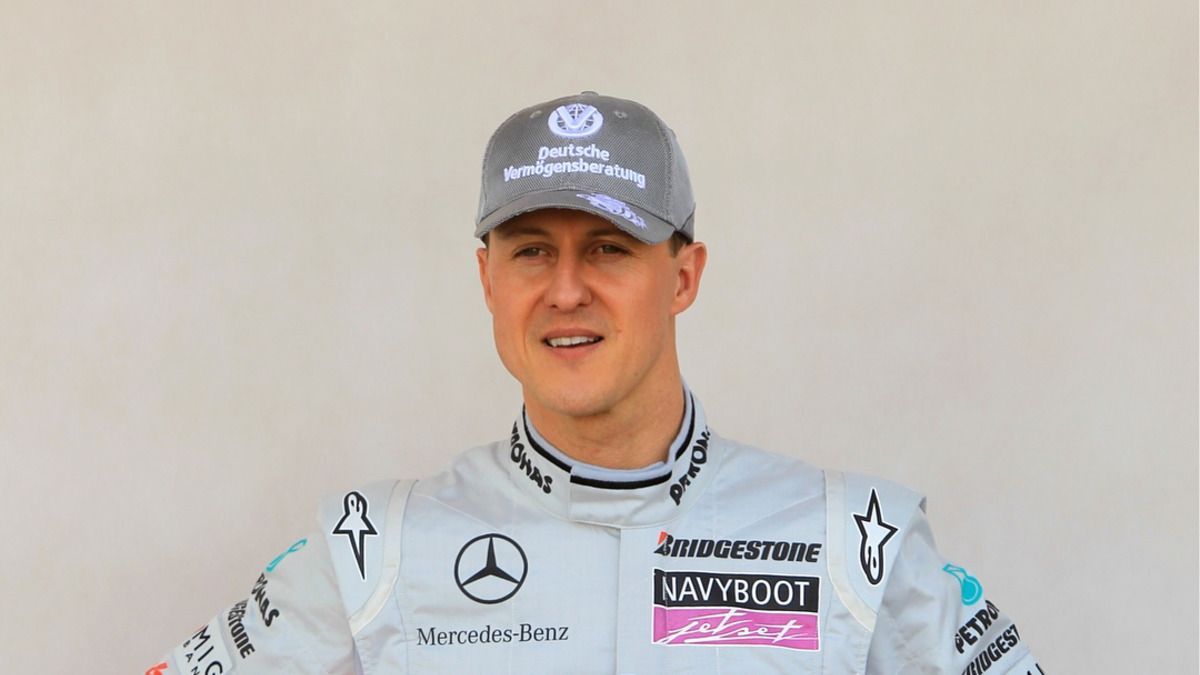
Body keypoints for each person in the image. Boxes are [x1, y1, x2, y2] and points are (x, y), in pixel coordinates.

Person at [148, 92, 1043, 674]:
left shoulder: (857, 539)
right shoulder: (370, 546)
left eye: (609, 248)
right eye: (532, 249)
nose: (566, 289)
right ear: (487, 279)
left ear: (684, 276)